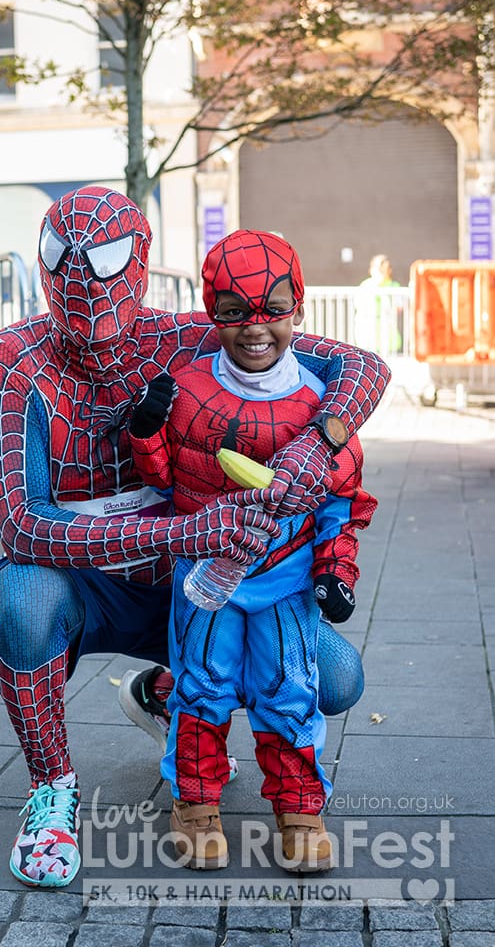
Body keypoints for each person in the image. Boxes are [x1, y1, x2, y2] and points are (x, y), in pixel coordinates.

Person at [0, 185, 390, 889]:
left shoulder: (185, 337)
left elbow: (363, 366)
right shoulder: (10, 362)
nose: (81, 278)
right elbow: (19, 526)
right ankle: (52, 786)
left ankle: (166, 691)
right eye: (63, 255)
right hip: (94, 587)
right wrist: (189, 528)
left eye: (104, 260)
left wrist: (318, 444)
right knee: (21, 596)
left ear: (138, 263)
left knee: (337, 679)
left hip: (192, 591)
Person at [127, 229, 377, 872]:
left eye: (273, 309)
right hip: (206, 574)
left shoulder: (321, 410)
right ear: (213, 310)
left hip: (286, 580)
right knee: (201, 688)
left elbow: (339, 502)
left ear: (298, 308)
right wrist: (147, 433)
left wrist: (336, 570)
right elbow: (166, 483)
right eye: (235, 312)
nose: (255, 327)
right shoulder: (186, 389)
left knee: (289, 689)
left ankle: (299, 808)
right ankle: (195, 803)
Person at [355, 254, 402, 354]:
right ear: (371, 269)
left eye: (384, 268)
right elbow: (358, 305)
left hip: (387, 331)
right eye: (378, 268)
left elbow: (399, 307)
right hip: (367, 329)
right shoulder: (366, 284)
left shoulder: (394, 286)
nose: (381, 271)